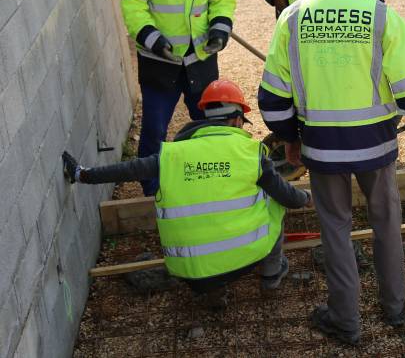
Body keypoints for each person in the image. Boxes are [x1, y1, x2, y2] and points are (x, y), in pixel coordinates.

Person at [258, 0, 405, 345]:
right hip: (376, 147)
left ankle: (345, 321)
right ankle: (395, 308)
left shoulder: (293, 16)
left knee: (336, 229)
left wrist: (289, 138)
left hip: (321, 147)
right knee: (386, 222)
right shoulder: (382, 16)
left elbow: (273, 95)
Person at [62, 80, 311, 308]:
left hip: (189, 270)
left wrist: (83, 174)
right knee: (275, 203)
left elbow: (128, 169)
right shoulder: (250, 153)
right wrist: (308, 198)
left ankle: (214, 291)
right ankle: (271, 275)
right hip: (245, 261)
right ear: (237, 120)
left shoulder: (172, 155)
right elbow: (289, 197)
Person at [120, 0, 236, 197]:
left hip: (200, 61)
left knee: (211, 126)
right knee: (155, 129)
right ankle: (152, 191)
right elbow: (134, 11)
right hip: (160, 64)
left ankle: (212, 185)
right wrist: (155, 41)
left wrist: (220, 29)